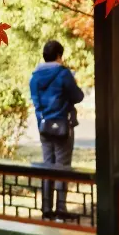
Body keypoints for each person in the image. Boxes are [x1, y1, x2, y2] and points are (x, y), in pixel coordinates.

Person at [30, 39, 84, 222]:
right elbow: (77, 96)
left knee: (48, 166)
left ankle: (46, 209)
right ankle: (61, 210)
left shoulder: (35, 76)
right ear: (59, 55)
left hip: (44, 126)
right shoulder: (63, 74)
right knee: (62, 167)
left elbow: (36, 101)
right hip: (62, 126)